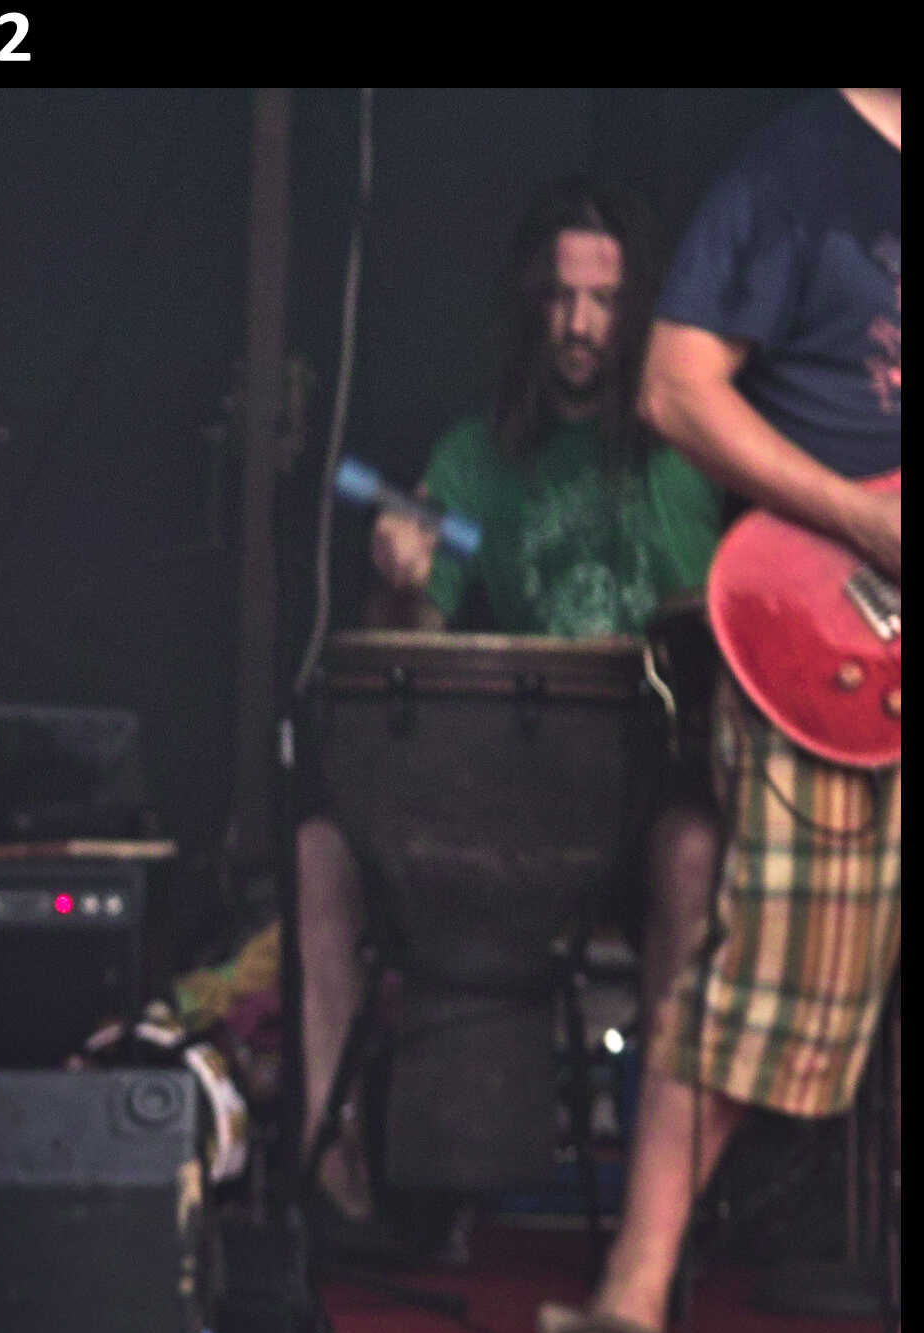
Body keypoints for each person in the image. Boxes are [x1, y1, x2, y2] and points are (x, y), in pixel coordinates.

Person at [543, 89, 900, 1333]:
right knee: (768, 977)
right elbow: (675, 389)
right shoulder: (797, 170)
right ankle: (634, 1292)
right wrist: (862, 522)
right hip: (831, 631)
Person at [297, 177, 725, 1232]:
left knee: (691, 854)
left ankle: (662, 1215)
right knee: (319, 851)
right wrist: (402, 581)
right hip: (501, 804)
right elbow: (410, 665)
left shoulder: (683, 455)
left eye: (604, 300)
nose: (580, 325)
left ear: (636, 309)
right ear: (529, 304)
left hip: (637, 798)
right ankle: (333, 1185)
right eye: (560, 298)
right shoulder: (472, 458)